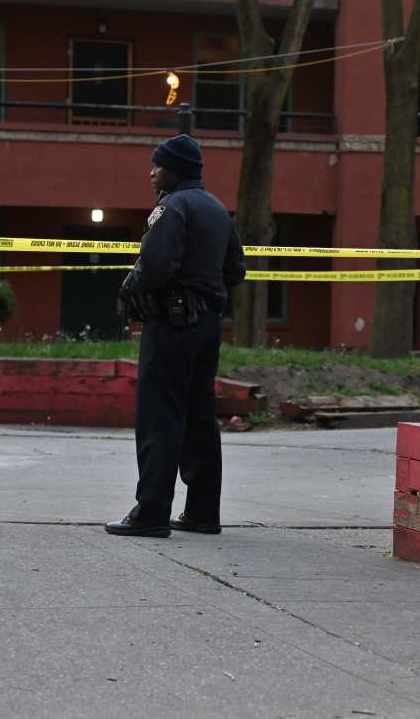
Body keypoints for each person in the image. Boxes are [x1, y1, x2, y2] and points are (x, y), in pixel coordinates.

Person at [106, 134, 246, 538]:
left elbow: (156, 265)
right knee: (200, 416)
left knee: (159, 415)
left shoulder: (172, 206)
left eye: (157, 165)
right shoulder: (218, 209)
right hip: (206, 329)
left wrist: (132, 285)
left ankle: (150, 512)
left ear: (175, 169)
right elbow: (236, 269)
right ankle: (203, 512)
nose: (152, 172)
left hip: (170, 326)